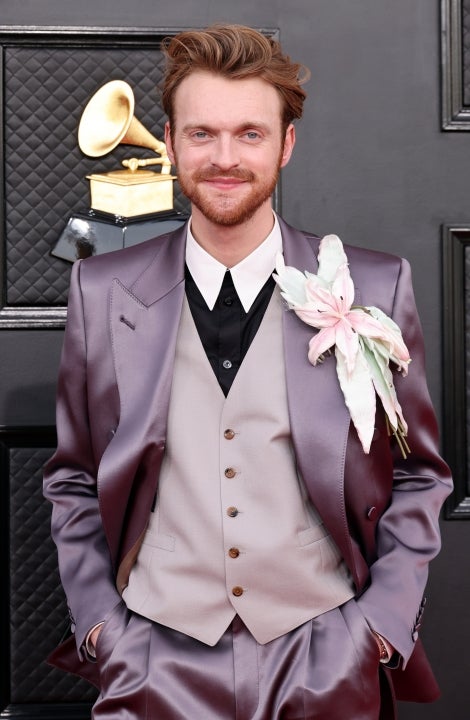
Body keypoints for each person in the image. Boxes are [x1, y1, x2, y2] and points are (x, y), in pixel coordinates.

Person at [43, 24, 453, 720]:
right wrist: (103, 629)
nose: (225, 158)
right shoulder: (102, 290)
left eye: (250, 134)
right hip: (153, 656)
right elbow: (74, 475)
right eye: (202, 134)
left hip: (325, 653)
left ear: (286, 145)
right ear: (170, 142)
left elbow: (418, 473)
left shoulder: (374, 286)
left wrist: (378, 627)